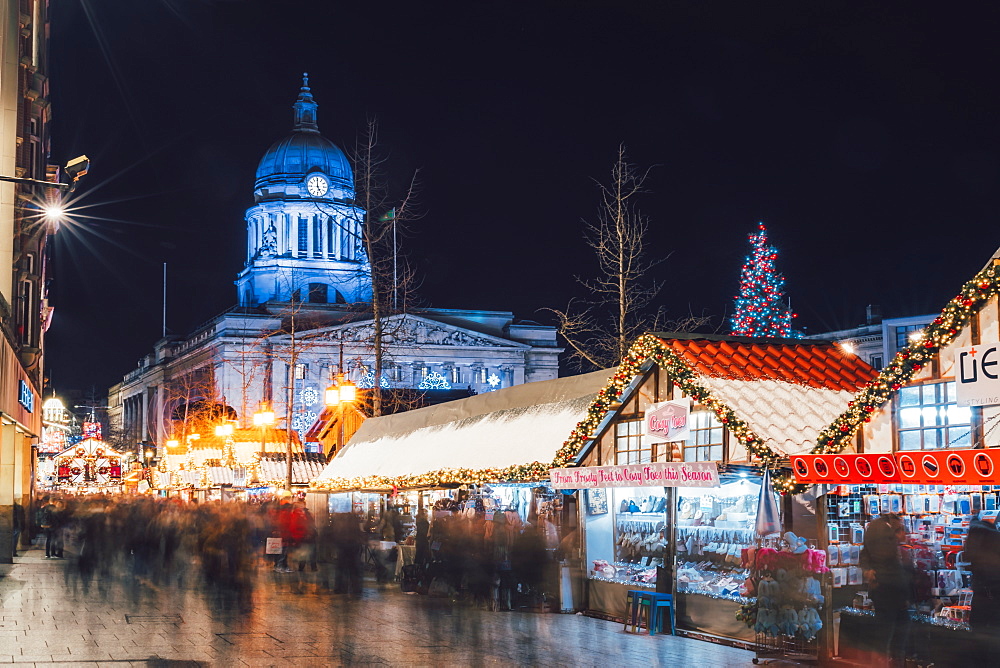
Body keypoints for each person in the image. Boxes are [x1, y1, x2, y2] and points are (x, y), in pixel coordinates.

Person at [860, 512, 911, 668]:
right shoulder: (887, 548)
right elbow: (893, 571)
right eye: (900, 528)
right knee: (892, 637)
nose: (903, 532)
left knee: (886, 636)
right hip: (891, 593)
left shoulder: (875, 535)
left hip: (886, 592)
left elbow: (865, 556)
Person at [964, 512, 1000, 659]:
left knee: (979, 639)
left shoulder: (973, 538)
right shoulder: (994, 538)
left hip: (980, 595)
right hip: (994, 597)